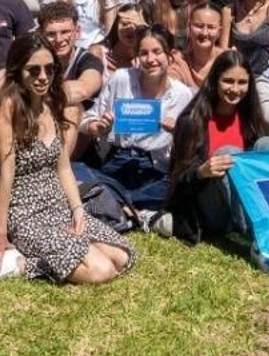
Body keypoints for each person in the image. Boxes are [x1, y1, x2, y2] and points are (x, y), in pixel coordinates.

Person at [0, 34, 135, 285]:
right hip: (27, 215)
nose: (43, 77)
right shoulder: (6, 109)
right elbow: (5, 173)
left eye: (49, 69)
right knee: (101, 271)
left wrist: (77, 209)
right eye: (34, 70)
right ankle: (19, 263)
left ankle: (69, 248)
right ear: (17, 71)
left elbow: (63, 168)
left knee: (123, 257)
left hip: (59, 207)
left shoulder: (51, 102)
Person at [79, 25, 195, 215]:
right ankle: (136, 209)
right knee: (77, 171)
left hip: (154, 169)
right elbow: (86, 120)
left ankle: (119, 205)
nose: (150, 59)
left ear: (170, 55)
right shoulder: (121, 79)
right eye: (144, 53)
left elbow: (191, 145)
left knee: (176, 189)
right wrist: (97, 127)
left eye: (157, 52)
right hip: (116, 163)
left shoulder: (182, 94)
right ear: (137, 57)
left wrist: (178, 132)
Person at [162, 50, 268, 242]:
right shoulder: (192, 120)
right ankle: (258, 237)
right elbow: (177, 181)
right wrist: (201, 172)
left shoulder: (250, 118)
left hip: (246, 201)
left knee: (268, 145)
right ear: (215, 81)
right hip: (210, 208)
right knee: (228, 153)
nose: (235, 89)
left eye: (242, 82)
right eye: (228, 81)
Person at [169, 3, 226, 89]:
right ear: (189, 27)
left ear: (219, 32)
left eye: (211, 27)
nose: (204, 33)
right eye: (199, 26)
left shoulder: (227, 61)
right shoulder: (180, 62)